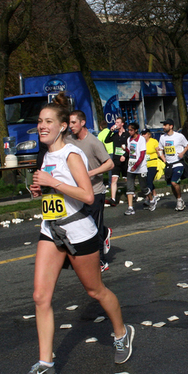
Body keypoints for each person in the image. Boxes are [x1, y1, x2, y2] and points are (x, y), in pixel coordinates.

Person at [19, 94, 133, 374]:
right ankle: (46, 363)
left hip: (79, 231)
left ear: (61, 127)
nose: (42, 126)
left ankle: (121, 333)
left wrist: (52, 183)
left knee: (95, 291)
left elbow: (86, 195)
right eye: (40, 121)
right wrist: (41, 191)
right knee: (40, 296)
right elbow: (55, 193)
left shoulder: (72, 154)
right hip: (51, 229)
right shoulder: (45, 156)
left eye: (48, 122)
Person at [66, 111, 115, 272]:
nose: (71, 126)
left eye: (73, 122)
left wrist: (89, 174)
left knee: (94, 227)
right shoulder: (68, 140)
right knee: (82, 224)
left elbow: (109, 164)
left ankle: (101, 261)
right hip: (78, 191)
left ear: (82, 123)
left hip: (95, 190)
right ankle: (104, 231)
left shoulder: (93, 142)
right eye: (69, 123)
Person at [157, 119, 188, 211]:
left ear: (171, 126)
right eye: (163, 125)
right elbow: (160, 149)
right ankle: (179, 199)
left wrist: (182, 153)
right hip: (169, 164)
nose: (163, 127)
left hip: (178, 163)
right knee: (172, 185)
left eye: (165, 125)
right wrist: (163, 159)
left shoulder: (179, 136)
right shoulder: (162, 137)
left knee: (174, 182)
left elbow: (187, 145)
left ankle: (179, 200)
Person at [124, 122, 148, 215]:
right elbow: (131, 152)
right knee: (129, 187)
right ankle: (130, 207)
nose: (129, 132)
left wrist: (136, 166)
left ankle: (151, 198)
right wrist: (125, 149)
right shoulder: (129, 139)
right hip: (131, 166)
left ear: (136, 130)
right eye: (128, 130)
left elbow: (142, 155)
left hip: (140, 166)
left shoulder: (141, 139)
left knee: (143, 188)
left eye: (131, 130)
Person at [104, 117, 128, 206]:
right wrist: (111, 131)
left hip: (125, 160)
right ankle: (113, 199)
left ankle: (131, 194)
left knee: (126, 179)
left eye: (118, 122)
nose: (116, 124)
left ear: (122, 124)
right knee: (114, 178)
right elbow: (106, 141)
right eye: (115, 122)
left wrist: (125, 155)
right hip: (116, 160)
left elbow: (130, 147)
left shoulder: (127, 134)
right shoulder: (115, 135)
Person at [141, 129, 160, 211]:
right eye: (142, 134)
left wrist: (163, 158)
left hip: (153, 163)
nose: (143, 135)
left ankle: (148, 199)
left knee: (149, 180)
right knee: (146, 180)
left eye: (145, 134)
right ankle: (154, 195)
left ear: (149, 134)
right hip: (144, 165)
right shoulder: (141, 142)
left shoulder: (154, 141)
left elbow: (159, 151)